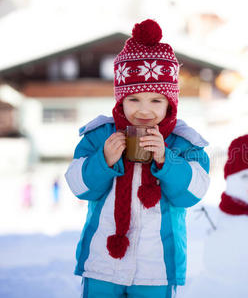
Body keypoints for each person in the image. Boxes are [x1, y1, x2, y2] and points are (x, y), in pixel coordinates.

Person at [65, 19, 210, 298]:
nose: (144, 110)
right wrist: (104, 160)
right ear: (120, 100)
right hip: (102, 263)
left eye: (156, 100)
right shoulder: (99, 136)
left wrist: (167, 161)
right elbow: (78, 186)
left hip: (156, 268)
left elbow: (193, 193)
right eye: (134, 100)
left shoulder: (183, 142)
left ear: (171, 102)